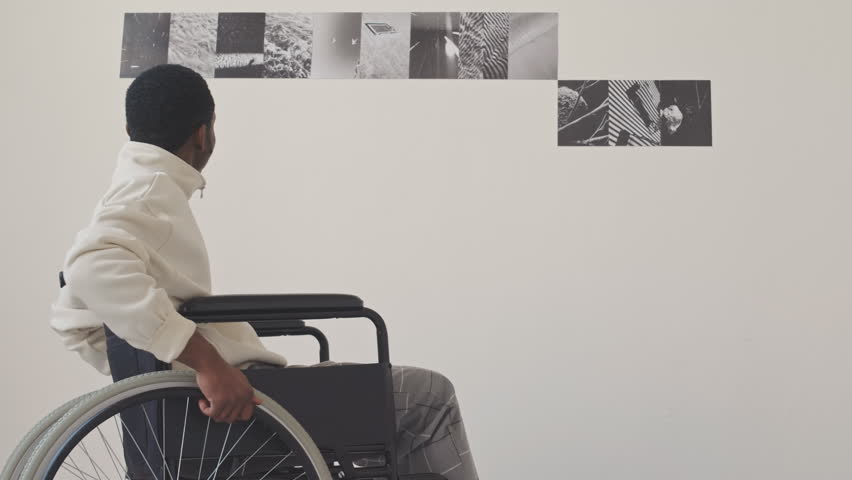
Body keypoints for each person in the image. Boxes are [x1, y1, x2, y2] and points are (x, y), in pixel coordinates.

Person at [49, 64, 479, 480]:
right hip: (243, 399)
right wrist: (208, 364)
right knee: (430, 396)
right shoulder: (149, 192)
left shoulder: (134, 187)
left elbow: (76, 320)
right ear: (203, 133)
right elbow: (89, 265)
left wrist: (154, 362)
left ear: (131, 132)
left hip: (185, 411)